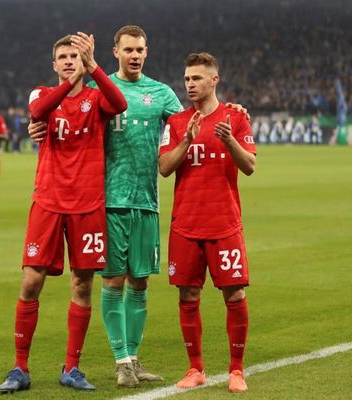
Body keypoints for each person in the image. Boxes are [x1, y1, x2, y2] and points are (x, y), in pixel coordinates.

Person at [28, 25, 248, 388]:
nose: (135, 55)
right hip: (108, 200)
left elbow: (193, 120)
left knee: (140, 282)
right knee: (113, 281)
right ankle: (121, 361)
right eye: (128, 49)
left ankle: (132, 356)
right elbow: (61, 113)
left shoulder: (160, 93)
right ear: (115, 52)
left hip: (147, 200)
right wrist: (35, 127)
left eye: (140, 50)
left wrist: (231, 108)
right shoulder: (98, 89)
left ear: (146, 52)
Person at [0, 32, 127, 394]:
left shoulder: (96, 99)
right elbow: (38, 112)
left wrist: (94, 66)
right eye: (64, 57)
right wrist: (71, 82)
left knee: (82, 285)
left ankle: (72, 368)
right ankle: (20, 368)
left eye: (75, 56)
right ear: (54, 64)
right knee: (31, 282)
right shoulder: (41, 94)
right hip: (49, 201)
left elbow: (119, 104)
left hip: (88, 204)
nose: (70, 61)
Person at [158, 52, 256, 393]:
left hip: (225, 222)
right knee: (188, 293)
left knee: (234, 293)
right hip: (186, 224)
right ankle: (195, 368)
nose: (190, 84)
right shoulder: (176, 123)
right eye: (187, 78)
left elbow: (250, 166)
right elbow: (164, 168)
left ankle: (236, 370)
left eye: (196, 78)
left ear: (214, 80)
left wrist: (229, 141)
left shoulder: (235, 118)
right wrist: (186, 139)